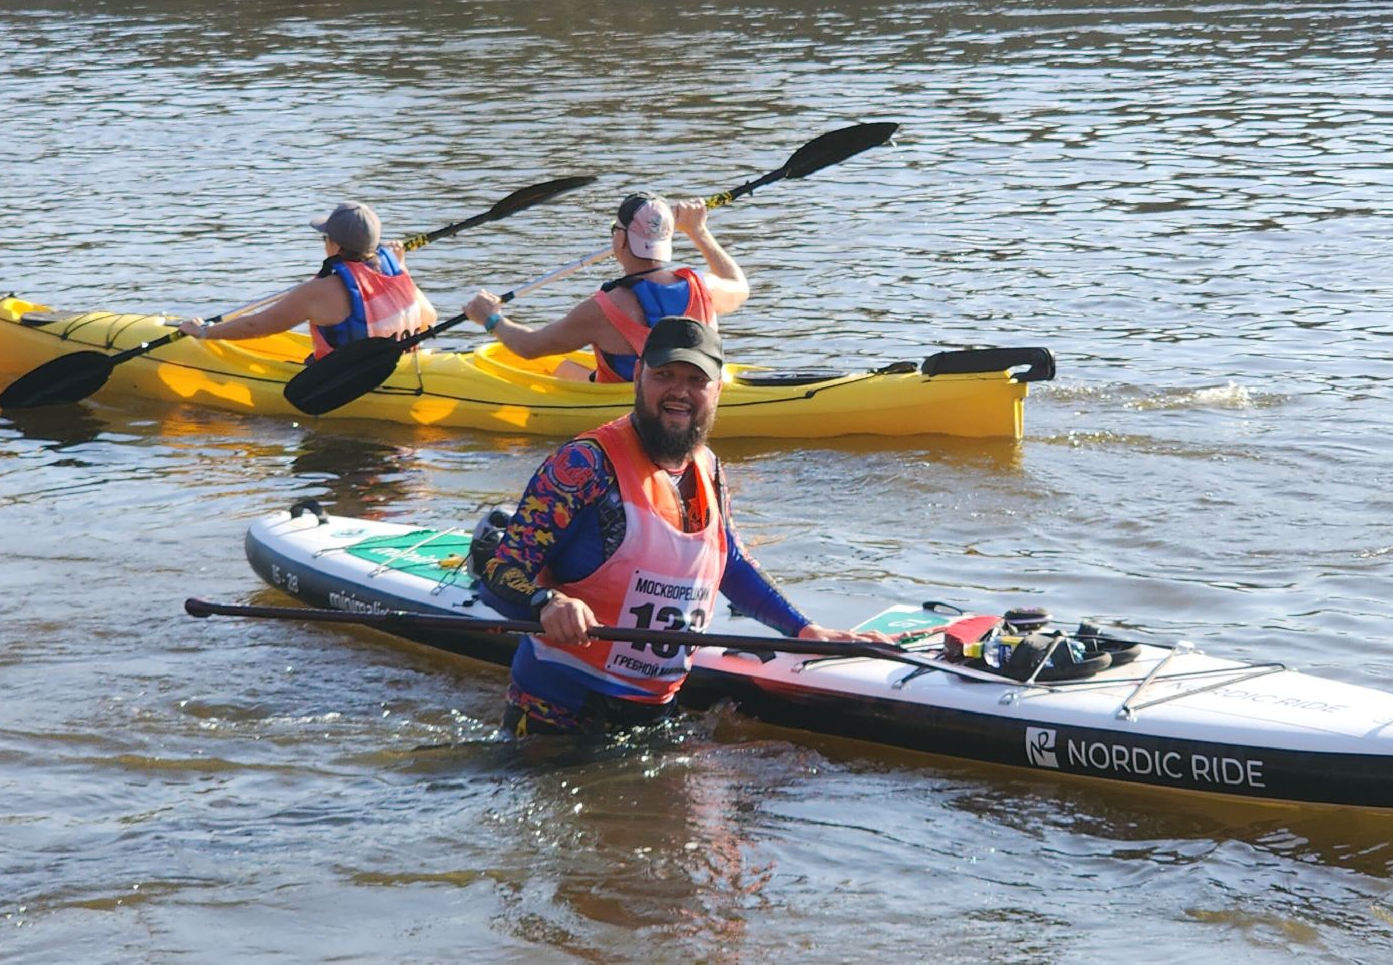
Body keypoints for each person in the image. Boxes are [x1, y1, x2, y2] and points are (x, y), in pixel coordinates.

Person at [475, 316, 890, 736]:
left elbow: (731, 565)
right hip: (557, 716)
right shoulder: (584, 466)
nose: (679, 391)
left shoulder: (708, 468)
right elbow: (497, 574)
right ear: (638, 377)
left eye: (696, 379)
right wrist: (546, 603)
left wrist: (804, 629)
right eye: (665, 375)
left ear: (718, 390)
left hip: (654, 715)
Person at [460, 191, 749, 382]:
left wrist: (490, 318)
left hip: (630, 404)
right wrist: (699, 231)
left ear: (621, 240)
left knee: (552, 366)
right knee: (561, 367)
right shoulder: (704, 286)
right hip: (699, 388)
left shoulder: (603, 309)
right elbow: (740, 286)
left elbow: (529, 347)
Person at [176, 201, 438, 357]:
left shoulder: (318, 292)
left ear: (334, 245)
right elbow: (429, 318)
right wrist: (402, 266)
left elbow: (255, 327)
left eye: (326, 238)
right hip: (400, 368)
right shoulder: (397, 273)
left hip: (347, 381)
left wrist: (204, 332)